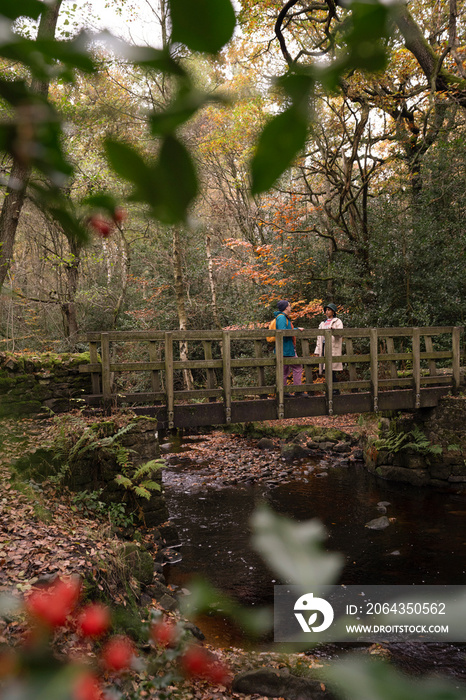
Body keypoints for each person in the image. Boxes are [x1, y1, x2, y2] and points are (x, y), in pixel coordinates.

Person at [274, 300, 304, 395]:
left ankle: (284, 392)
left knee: (284, 371)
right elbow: (283, 332)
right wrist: (295, 330)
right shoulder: (282, 318)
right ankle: (298, 390)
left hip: (283, 349)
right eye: (289, 305)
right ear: (286, 307)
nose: (290, 307)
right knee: (298, 367)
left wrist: (294, 329)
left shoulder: (281, 317)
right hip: (286, 349)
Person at [314, 303, 343, 394]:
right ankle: (330, 389)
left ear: (333, 311)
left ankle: (335, 389)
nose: (327, 312)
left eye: (329, 310)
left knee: (331, 368)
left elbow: (340, 334)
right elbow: (319, 337)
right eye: (326, 310)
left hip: (333, 346)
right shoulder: (323, 323)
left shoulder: (337, 321)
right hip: (323, 346)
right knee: (326, 369)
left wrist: (334, 329)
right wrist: (317, 350)